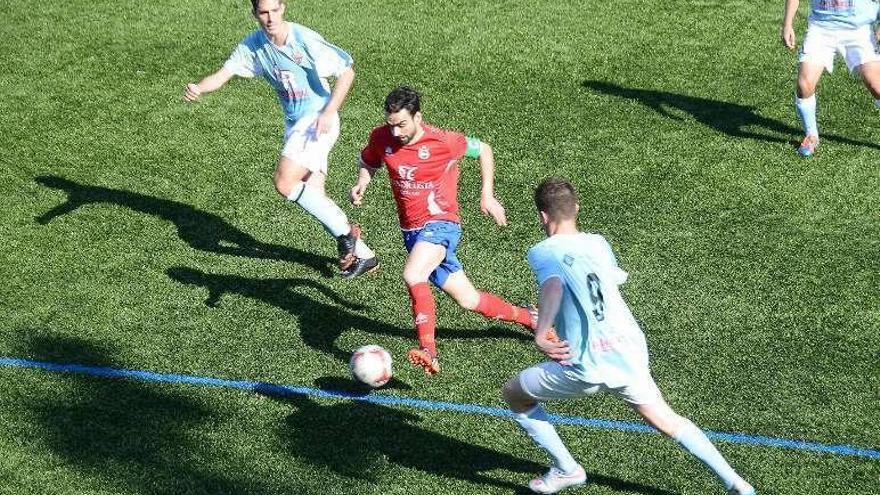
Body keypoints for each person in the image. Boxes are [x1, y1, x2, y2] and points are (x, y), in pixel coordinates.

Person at [502, 178, 756, 495]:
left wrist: (542, 331)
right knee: (668, 420)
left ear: (542, 216)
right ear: (576, 209)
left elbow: (553, 285)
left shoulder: (543, 251)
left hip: (586, 362)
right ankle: (737, 483)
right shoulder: (597, 243)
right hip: (628, 349)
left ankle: (568, 470)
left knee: (514, 393)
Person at [184, 0, 377, 278]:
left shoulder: (303, 39)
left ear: (283, 8)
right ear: (255, 14)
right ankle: (364, 255)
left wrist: (329, 111)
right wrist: (199, 88)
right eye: (263, 12)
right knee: (314, 196)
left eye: (274, 10)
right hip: (296, 124)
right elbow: (223, 75)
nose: (270, 17)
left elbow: (347, 72)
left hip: (317, 121)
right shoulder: (253, 46)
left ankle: (347, 233)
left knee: (285, 182)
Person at [351, 86, 536, 375]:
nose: (397, 132)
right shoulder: (382, 137)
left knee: (413, 274)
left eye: (402, 124)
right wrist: (363, 181)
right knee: (468, 299)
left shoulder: (444, 142)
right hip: (412, 234)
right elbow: (369, 161)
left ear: (417, 117)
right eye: (392, 125)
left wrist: (487, 195)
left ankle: (429, 350)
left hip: (441, 224)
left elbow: (483, 149)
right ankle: (530, 318)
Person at [781, 0, 880, 156]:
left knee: (877, 87)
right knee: (804, 84)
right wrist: (787, 25)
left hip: (858, 29)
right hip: (821, 28)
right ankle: (811, 135)